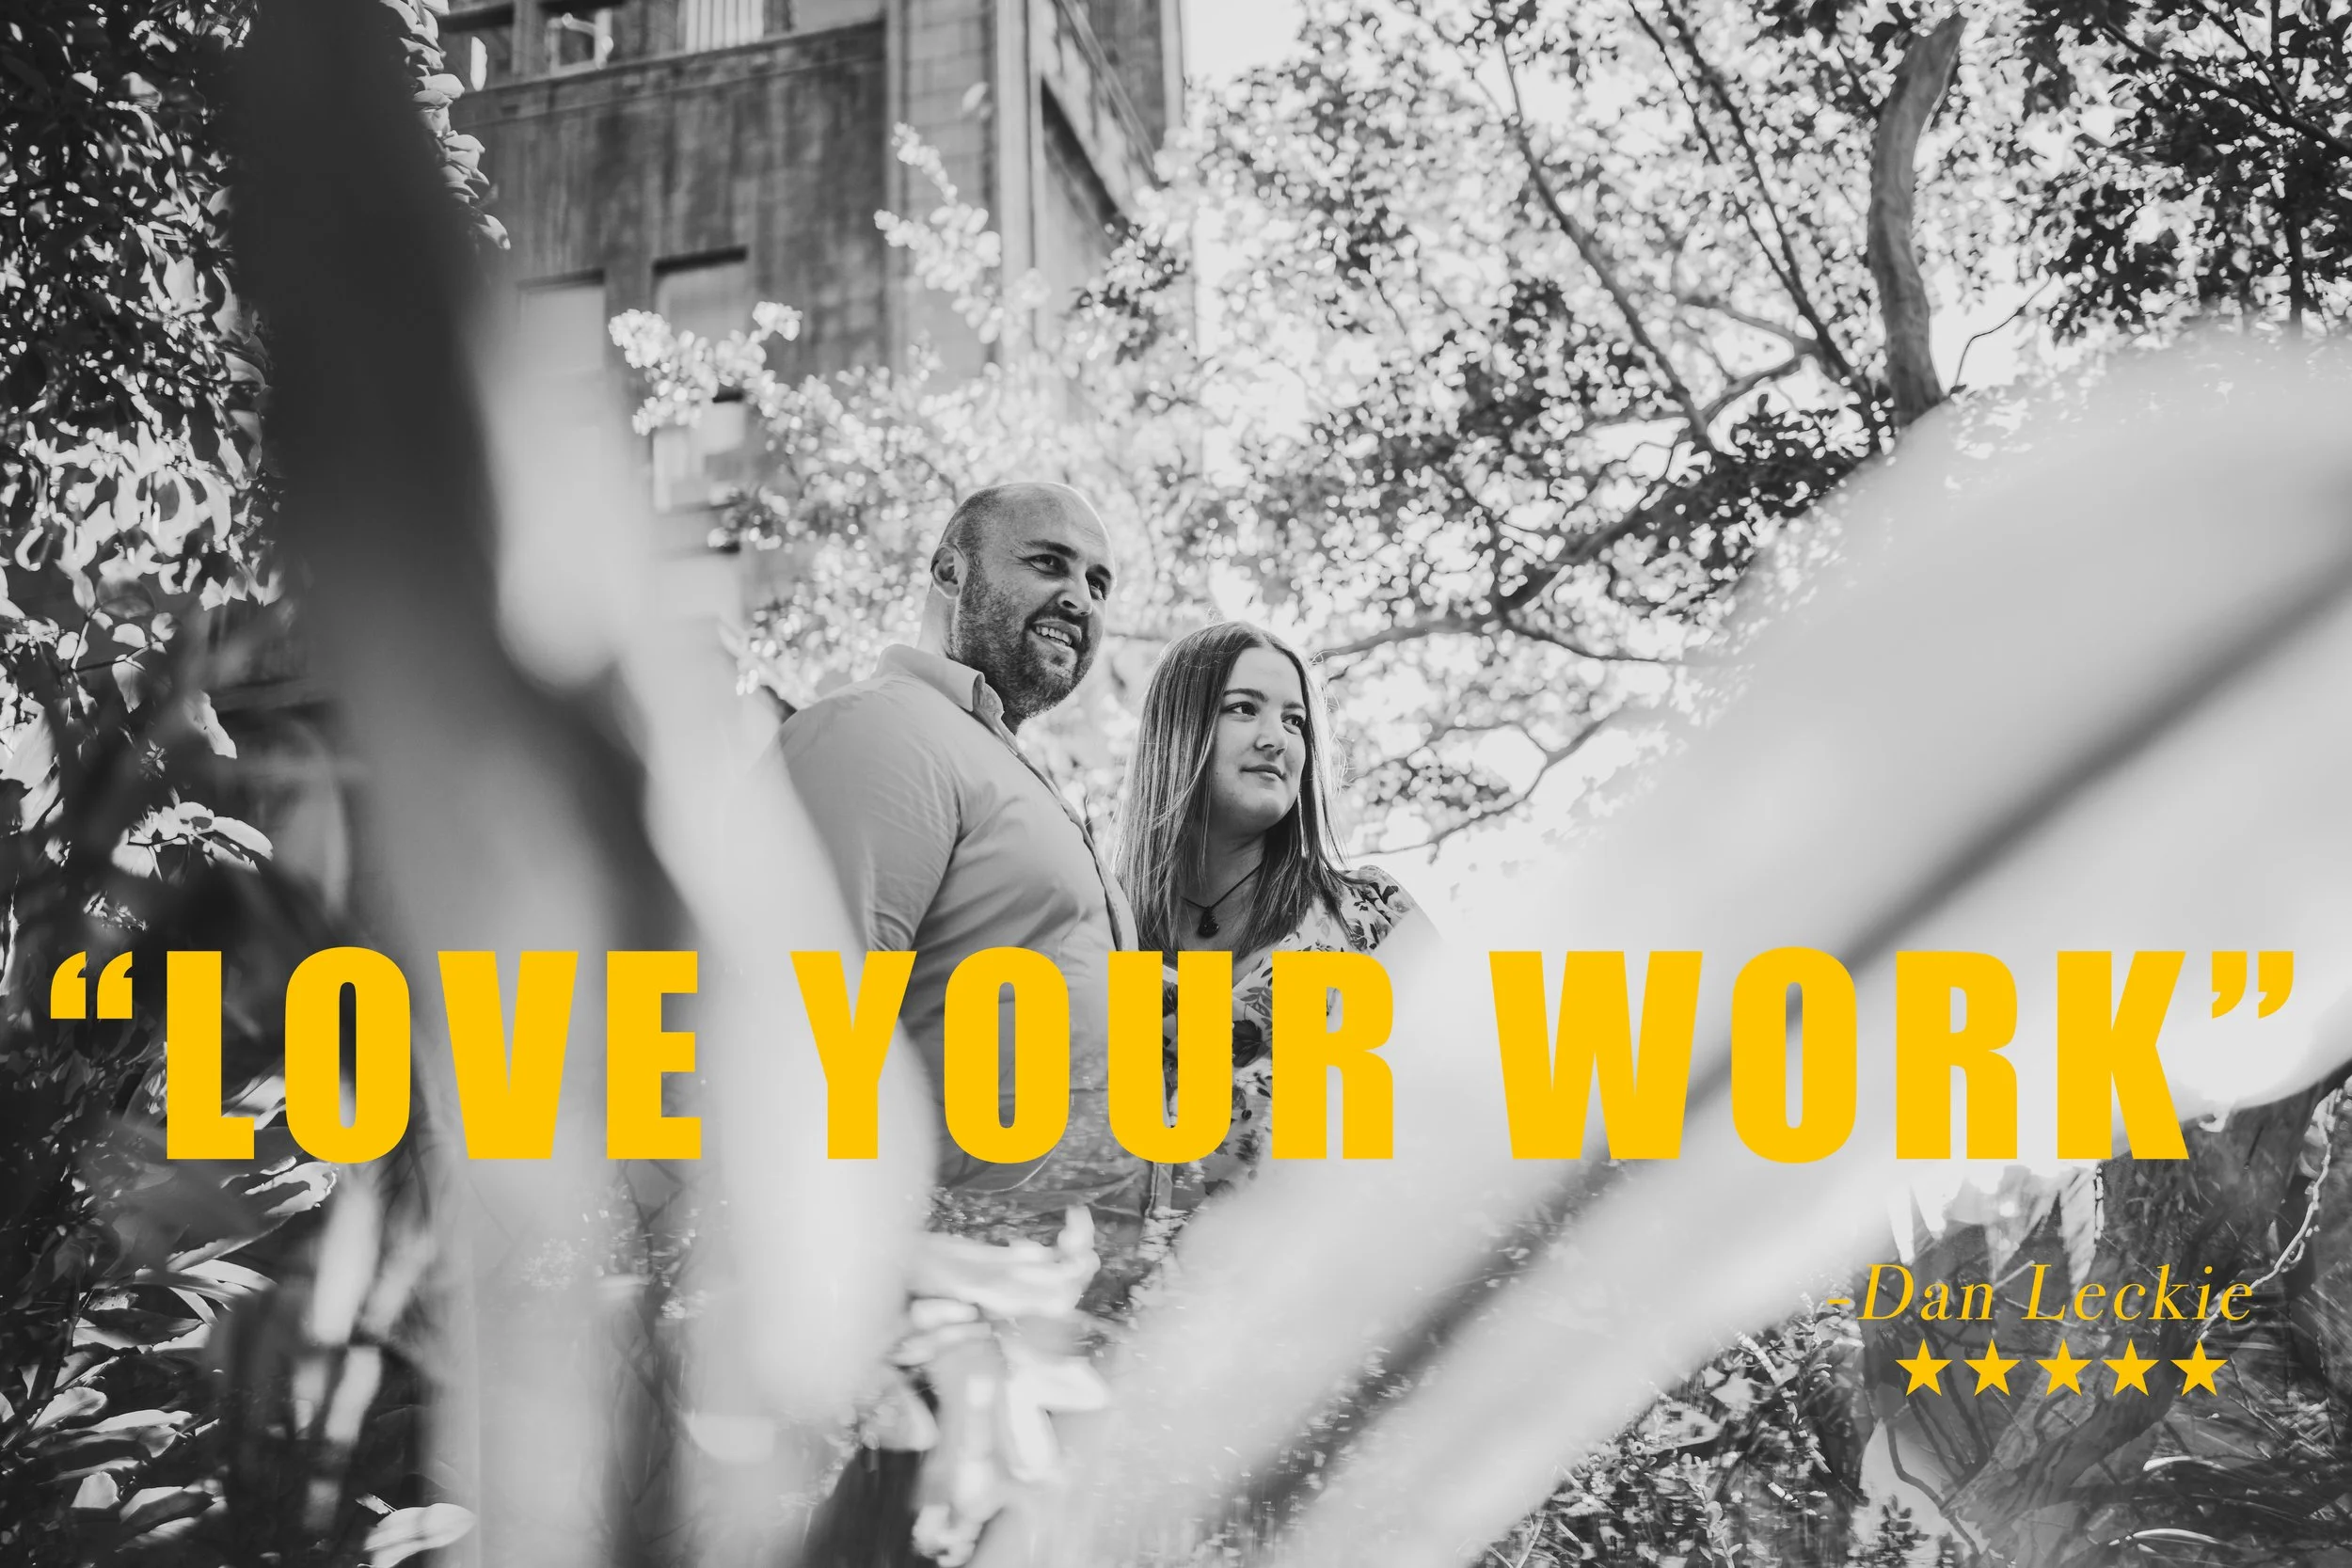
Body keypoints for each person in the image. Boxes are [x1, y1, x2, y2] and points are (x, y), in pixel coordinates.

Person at [780, 482, 1143, 1567]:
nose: (1077, 596)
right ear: (949, 572)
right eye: (1046, 562)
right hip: (919, 1350)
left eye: (1098, 581)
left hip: (1036, 1361)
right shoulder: (886, 730)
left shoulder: (1022, 782)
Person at [1114, 620, 1439, 1227]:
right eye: (1244, 709)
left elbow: (1467, 1108)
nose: (1278, 740)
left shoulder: (1371, 918)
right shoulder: (1096, 930)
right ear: (1176, 732)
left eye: (1295, 721)